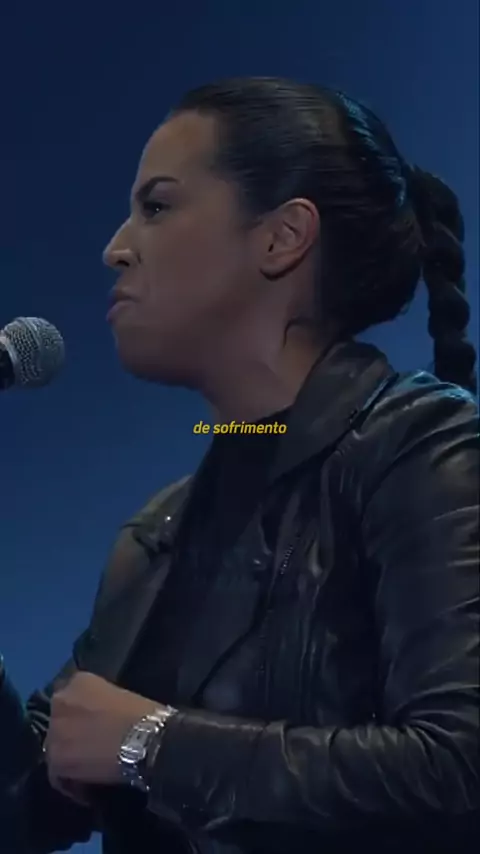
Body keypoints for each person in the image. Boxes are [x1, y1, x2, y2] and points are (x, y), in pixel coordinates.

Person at [1, 76, 478, 854]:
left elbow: (459, 764)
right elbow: (24, 811)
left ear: (282, 238)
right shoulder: (156, 533)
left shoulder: (422, 447)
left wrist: (151, 744)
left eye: (157, 206)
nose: (115, 247)